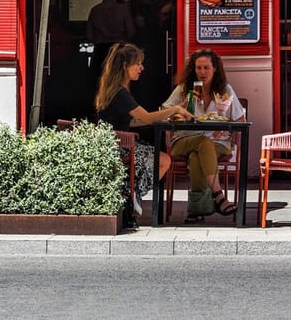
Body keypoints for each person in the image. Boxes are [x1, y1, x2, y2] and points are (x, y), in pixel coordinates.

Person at [95, 42, 193, 230]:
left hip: (115, 142)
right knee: (163, 160)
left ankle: (134, 193)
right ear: (125, 66)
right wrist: (175, 109)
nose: (142, 68)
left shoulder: (115, 89)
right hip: (119, 147)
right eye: (137, 64)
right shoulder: (121, 93)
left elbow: (131, 121)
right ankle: (135, 193)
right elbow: (146, 117)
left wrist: (164, 116)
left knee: (158, 157)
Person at [162, 49, 245, 224]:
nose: (202, 72)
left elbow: (240, 119)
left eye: (206, 67)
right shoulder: (185, 89)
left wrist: (227, 130)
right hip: (184, 140)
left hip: (217, 142)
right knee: (201, 143)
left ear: (215, 69)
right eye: (198, 68)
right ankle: (219, 195)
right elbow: (163, 113)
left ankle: (196, 211)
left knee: (197, 155)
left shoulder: (224, 89)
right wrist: (182, 106)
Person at [86, 0, 135, 86]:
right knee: (120, 81)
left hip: (100, 51)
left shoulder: (95, 10)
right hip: (119, 48)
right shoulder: (123, 9)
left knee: (100, 83)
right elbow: (131, 32)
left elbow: (89, 35)